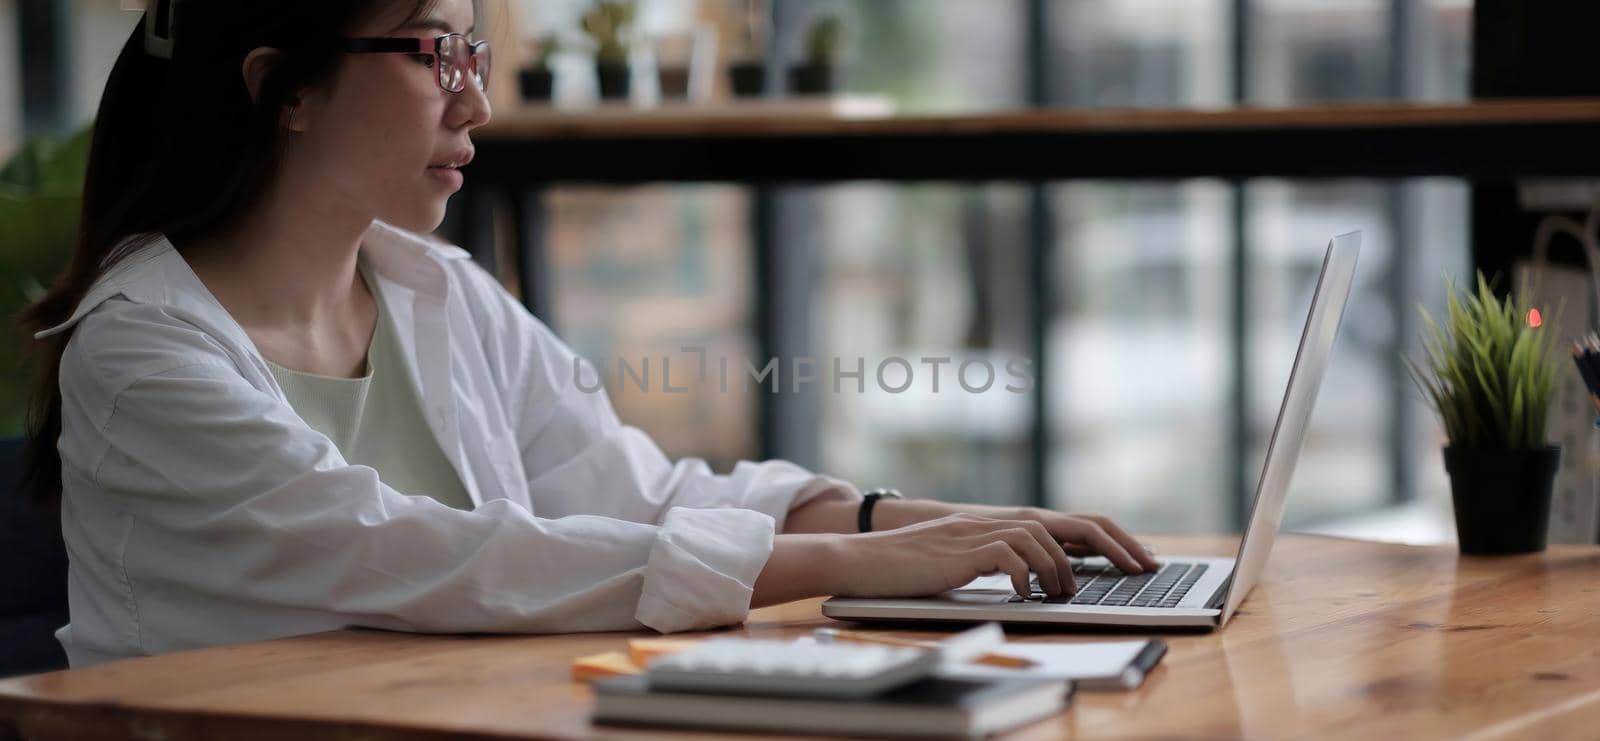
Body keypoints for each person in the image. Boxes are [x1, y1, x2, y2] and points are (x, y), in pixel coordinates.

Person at [18, 0, 1159, 668]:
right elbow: (418, 556)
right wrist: (858, 566)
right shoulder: (142, 351)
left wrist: (938, 527)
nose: (476, 102)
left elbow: (635, 494)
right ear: (286, 91)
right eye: (434, 54)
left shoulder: (441, 291)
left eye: (476, 53)